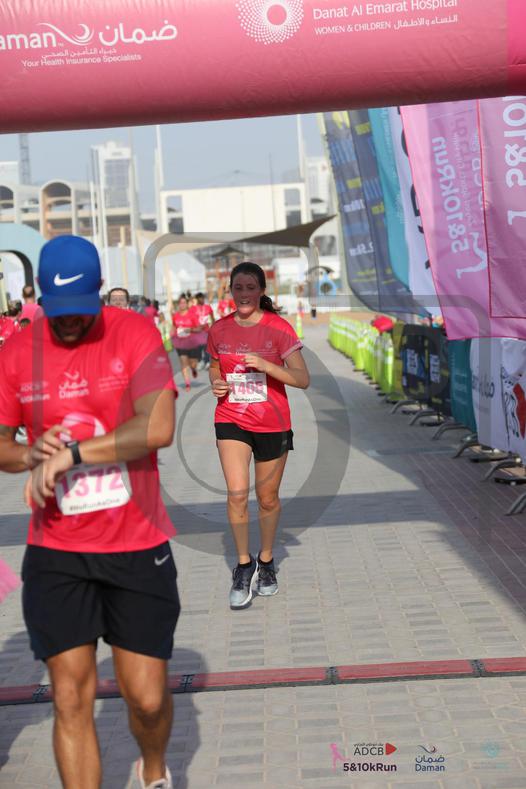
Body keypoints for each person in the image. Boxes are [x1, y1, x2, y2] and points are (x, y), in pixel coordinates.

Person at [0, 235, 179, 789]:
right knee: (70, 696)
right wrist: (29, 454)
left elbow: (158, 427)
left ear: (99, 290)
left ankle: (154, 770)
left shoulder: (135, 333)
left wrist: (73, 454)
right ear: (38, 295)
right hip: (57, 550)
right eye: (59, 312)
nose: (71, 322)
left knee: (147, 699)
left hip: (136, 542)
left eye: (81, 309)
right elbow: (1, 444)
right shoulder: (15, 352)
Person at [207, 262, 309, 609]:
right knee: (237, 493)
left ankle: (266, 561)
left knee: (267, 498)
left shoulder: (278, 328)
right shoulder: (219, 329)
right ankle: (243, 564)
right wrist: (216, 382)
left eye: (251, 287)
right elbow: (215, 365)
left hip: (272, 422)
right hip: (231, 417)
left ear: (262, 291)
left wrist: (267, 366)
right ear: (230, 291)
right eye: (238, 288)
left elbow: (303, 379)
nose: (244, 294)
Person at [171, 294, 201, 392]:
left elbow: (199, 328)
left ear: (187, 304)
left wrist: (190, 329)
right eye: (180, 303)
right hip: (181, 343)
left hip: (192, 343)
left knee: (193, 364)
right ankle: (187, 383)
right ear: (178, 304)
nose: (182, 304)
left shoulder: (192, 315)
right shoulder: (175, 316)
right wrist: (172, 336)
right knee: (183, 363)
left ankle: (193, 369)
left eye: (184, 303)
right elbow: (174, 327)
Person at [190, 292, 214, 369]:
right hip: (197, 331)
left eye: (203, 298)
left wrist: (213, 326)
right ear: (197, 299)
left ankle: (207, 362)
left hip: (206, 330)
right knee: (198, 347)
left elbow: (212, 317)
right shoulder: (193, 308)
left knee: (206, 346)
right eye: (200, 298)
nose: (202, 299)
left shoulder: (208, 307)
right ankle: (200, 361)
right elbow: (190, 320)